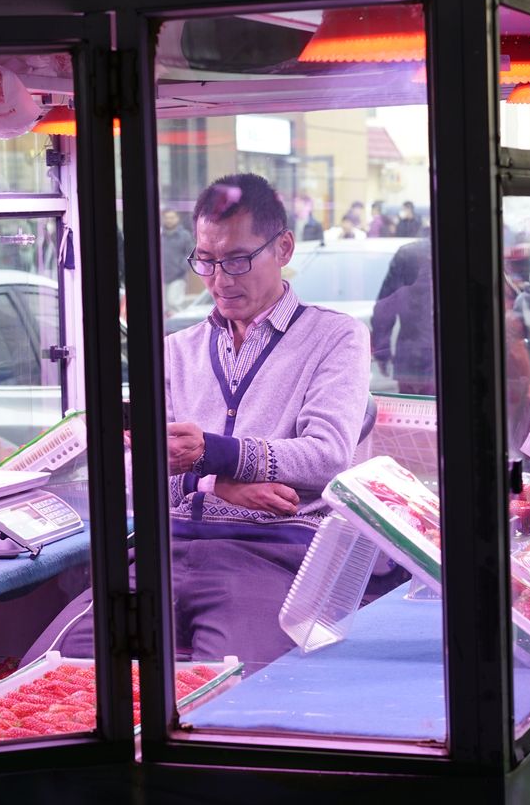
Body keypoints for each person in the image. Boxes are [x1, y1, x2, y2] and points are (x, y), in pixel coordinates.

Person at [25, 173, 371, 666]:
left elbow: (327, 456)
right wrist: (213, 486)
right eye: (206, 261)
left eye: (237, 260)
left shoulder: (335, 337)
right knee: (51, 674)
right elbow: (130, 473)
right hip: (160, 553)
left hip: (271, 557)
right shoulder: (174, 351)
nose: (220, 280)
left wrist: (211, 453)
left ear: (284, 247)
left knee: (234, 697)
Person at [371, 240, 435, 394]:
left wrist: (382, 352)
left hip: (410, 357)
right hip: (446, 358)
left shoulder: (407, 254)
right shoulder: (464, 248)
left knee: (412, 411)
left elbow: (384, 309)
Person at [160, 208, 195, 315]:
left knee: (174, 303)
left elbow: (191, 254)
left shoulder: (184, 236)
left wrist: (182, 267)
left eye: (172, 217)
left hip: (178, 277)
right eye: (167, 218)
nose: (169, 220)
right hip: (161, 277)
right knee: (163, 306)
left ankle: (178, 328)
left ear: (177, 219)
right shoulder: (159, 235)